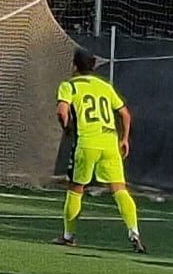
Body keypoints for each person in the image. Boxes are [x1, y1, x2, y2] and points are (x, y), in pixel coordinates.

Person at [52, 48, 144, 252]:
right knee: (120, 189)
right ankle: (134, 231)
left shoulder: (69, 86)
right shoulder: (105, 86)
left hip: (87, 142)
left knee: (76, 189)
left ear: (74, 66)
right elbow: (125, 114)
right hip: (110, 142)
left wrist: (67, 128)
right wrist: (124, 139)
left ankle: (68, 236)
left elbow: (62, 112)